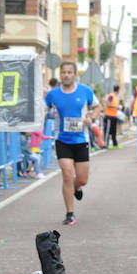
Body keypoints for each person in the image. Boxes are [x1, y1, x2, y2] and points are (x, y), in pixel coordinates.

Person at [45, 61, 101, 225]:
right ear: (60, 74)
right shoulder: (53, 94)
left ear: (75, 74)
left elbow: (97, 107)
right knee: (68, 175)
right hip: (62, 140)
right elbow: (44, 111)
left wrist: (91, 118)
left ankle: (77, 187)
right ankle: (70, 213)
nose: (66, 75)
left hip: (81, 140)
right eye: (63, 72)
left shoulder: (85, 91)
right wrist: (51, 113)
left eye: (70, 72)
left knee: (82, 179)